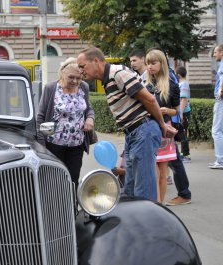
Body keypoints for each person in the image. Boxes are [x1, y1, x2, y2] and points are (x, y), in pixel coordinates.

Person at [77, 46, 167, 202]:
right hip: (134, 133)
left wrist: (162, 125)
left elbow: (149, 99)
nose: (81, 71)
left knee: (143, 191)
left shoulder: (117, 74)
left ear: (96, 61)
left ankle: (147, 224)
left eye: (82, 66)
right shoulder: (108, 79)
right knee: (130, 189)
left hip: (142, 130)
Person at [37, 57, 95, 187]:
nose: (75, 81)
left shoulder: (83, 87)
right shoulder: (51, 88)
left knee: (73, 180)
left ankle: (72, 206)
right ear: (62, 74)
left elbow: (89, 108)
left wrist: (90, 118)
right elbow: (40, 117)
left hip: (77, 145)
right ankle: (54, 207)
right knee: (54, 181)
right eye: (71, 77)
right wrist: (42, 146)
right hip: (53, 145)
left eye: (78, 78)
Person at [145, 49, 180, 203]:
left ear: (162, 64)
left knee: (162, 173)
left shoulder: (171, 85)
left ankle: (160, 205)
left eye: (153, 63)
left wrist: (166, 110)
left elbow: (177, 111)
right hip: (148, 128)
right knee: (152, 172)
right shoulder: (145, 85)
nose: (149, 67)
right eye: (147, 63)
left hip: (164, 129)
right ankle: (155, 204)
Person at [209, 44, 223, 169]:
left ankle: (220, 160)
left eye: (215, 52)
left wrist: (220, 91)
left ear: (222, 52)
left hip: (221, 101)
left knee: (216, 131)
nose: (214, 55)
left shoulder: (222, 64)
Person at [175, 66, 191, 162]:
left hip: (184, 112)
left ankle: (186, 155)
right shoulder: (180, 83)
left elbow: (184, 99)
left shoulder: (184, 84)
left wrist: (180, 114)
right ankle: (182, 154)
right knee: (181, 133)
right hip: (181, 112)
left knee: (183, 133)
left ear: (179, 75)